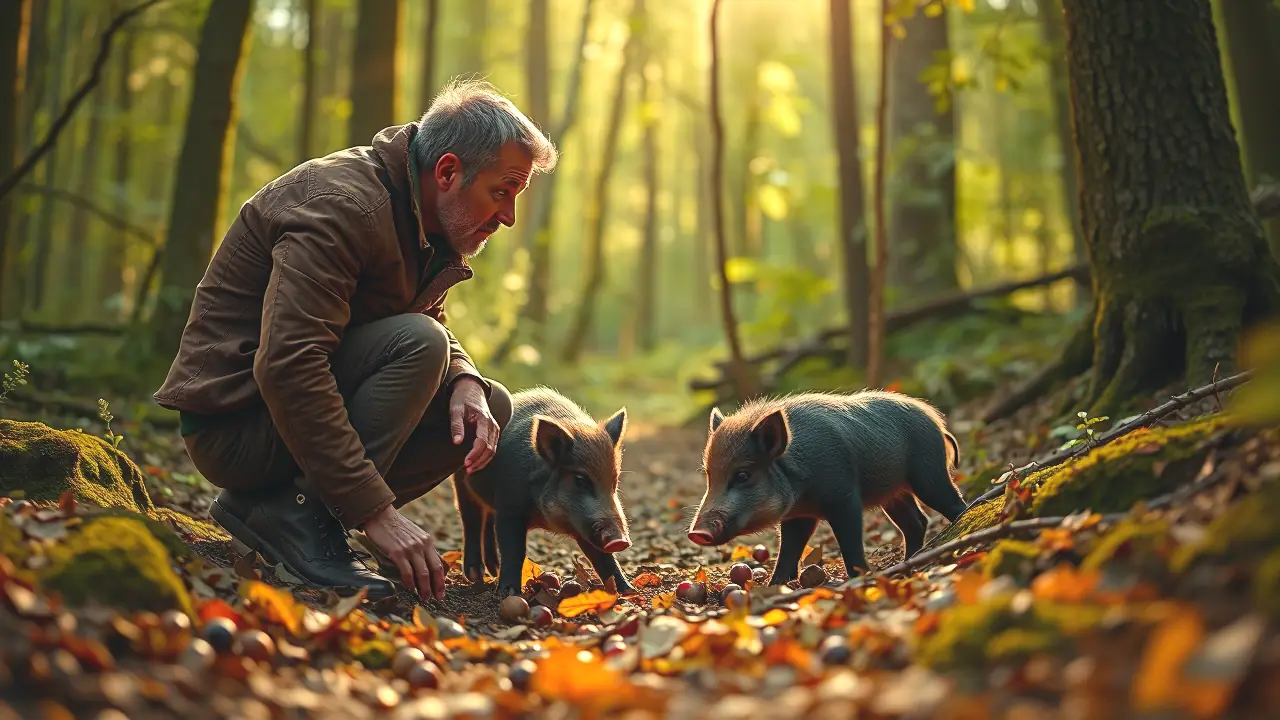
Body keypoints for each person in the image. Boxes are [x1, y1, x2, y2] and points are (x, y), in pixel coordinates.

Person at [153, 79, 558, 603]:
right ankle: (302, 521)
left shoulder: (420, 216)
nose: (508, 216)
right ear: (448, 172)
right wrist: (376, 512)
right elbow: (290, 363)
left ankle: (285, 513)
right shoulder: (344, 207)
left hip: (277, 419)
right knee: (421, 344)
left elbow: (423, 316)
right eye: (501, 192)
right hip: (234, 426)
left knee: (488, 405)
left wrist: (464, 378)